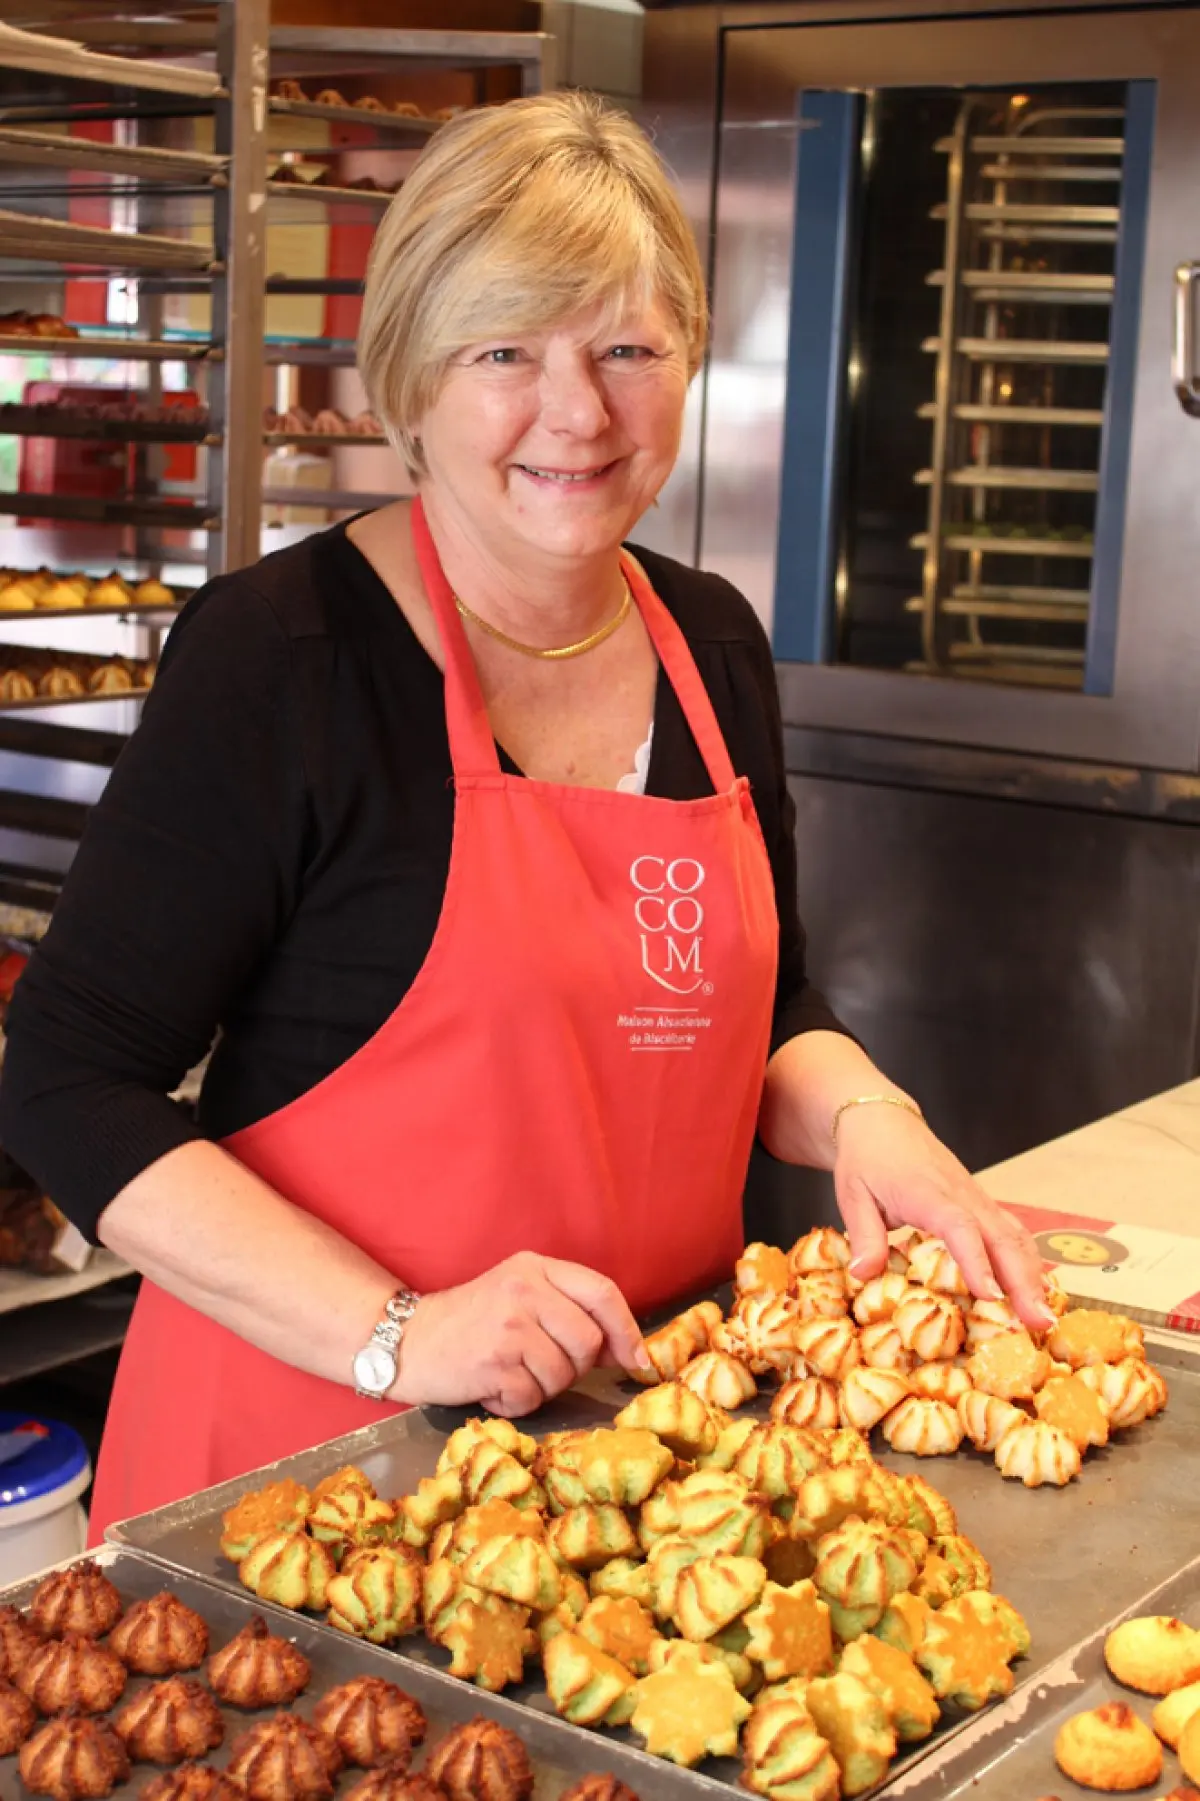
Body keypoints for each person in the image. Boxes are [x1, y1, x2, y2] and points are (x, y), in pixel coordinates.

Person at [0, 93, 1051, 1539]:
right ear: (412, 377)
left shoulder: (713, 642)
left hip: (641, 1466)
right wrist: (401, 1332)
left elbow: (760, 1004)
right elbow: (64, 1078)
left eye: (628, 348)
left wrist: (871, 1115)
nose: (580, 413)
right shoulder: (284, 659)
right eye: (508, 353)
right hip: (310, 1479)